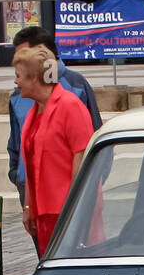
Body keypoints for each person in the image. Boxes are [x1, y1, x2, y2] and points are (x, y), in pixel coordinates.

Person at [6, 26, 101, 212]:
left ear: (43, 52)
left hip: (68, 195)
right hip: (31, 191)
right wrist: (18, 177)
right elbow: (16, 142)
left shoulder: (76, 86)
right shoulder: (18, 96)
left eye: (25, 54)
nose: (19, 61)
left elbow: (94, 139)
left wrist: (90, 185)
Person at [15, 45, 96, 256]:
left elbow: (81, 161)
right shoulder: (34, 112)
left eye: (19, 76)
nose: (16, 82)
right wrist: (28, 207)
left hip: (68, 212)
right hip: (45, 213)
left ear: (34, 78)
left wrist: (73, 213)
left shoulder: (70, 106)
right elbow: (31, 163)